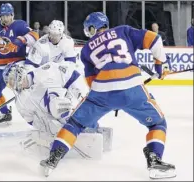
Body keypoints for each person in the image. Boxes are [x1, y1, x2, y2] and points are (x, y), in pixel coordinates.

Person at [41, 12, 176, 179]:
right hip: (132, 88)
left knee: (74, 124)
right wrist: (159, 66)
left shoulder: (87, 49)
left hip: (101, 92)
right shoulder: (124, 31)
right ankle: (155, 160)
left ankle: (53, 158)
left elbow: (91, 81)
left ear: (92, 28)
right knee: (158, 124)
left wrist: (108, 101)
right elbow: (154, 39)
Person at [2, 61, 112, 159]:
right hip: (52, 117)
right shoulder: (20, 101)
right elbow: (30, 120)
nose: (11, 85)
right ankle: (65, 137)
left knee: (58, 107)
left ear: (19, 74)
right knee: (50, 124)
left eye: (11, 80)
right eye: (8, 83)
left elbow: (72, 76)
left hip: (69, 100)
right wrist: (46, 128)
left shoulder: (44, 71)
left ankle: (94, 129)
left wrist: (79, 95)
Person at [0, 3, 39, 126]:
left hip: (17, 64)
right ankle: (5, 113)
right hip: (0, 66)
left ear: (12, 15)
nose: (5, 19)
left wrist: (19, 41)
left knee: (24, 94)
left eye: (7, 16)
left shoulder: (20, 25)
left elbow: (35, 36)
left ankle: (38, 113)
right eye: (3, 16)